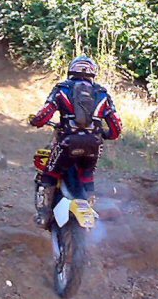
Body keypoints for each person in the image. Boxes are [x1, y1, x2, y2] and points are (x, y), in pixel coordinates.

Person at [28, 55, 123, 226]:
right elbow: (116, 127)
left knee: (50, 174)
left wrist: (35, 121)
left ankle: (43, 214)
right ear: (93, 73)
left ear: (71, 69)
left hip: (67, 142)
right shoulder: (102, 94)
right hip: (94, 145)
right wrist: (106, 135)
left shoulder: (62, 89)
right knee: (87, 175)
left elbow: (45, 114)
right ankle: (89, 207)